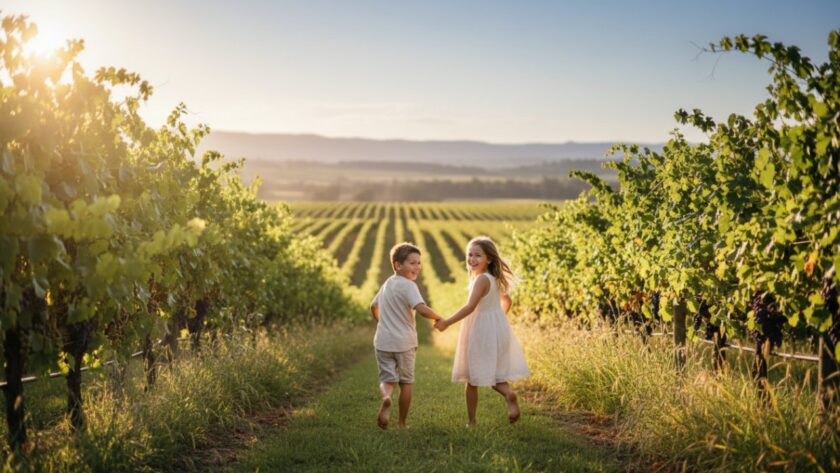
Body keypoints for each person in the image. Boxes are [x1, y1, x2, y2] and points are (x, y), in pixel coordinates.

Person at [435, 236, 529, 426]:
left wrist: (447, 322)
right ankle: (508, 394)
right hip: (495, 328)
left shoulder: (480, 280)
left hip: (480, 331)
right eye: (469, 254)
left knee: (472, 378)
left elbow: (470, 307)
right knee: (493, 372)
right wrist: (497, 318)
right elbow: (507, 301)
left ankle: (472, 422)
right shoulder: (494, 279)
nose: (472, 259)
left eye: (478, 255)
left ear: (489, 259)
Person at [371, 242, 442, 430]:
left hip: (383, 342)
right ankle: (401, 423)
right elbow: (421, 308)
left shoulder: (387, 284)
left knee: (387, 380)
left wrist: (382, 322)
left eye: (419, 263)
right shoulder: (409, 285)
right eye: (412, 263)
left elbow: (373, 306)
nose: (417, 267)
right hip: (404, 343)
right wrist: (439, 317)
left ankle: (386, 398)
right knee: (406, 382)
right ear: (397, 265)